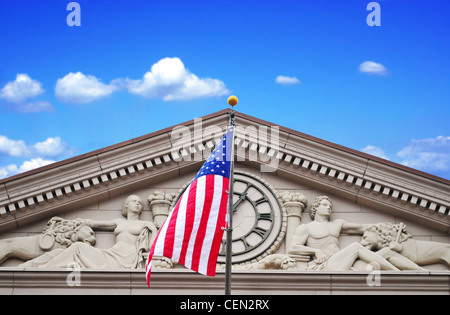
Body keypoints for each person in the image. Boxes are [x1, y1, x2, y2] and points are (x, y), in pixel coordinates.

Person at [21, 195, 158, 269]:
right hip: (112, 255)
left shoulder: (146, 224)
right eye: (134, 201)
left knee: (78, 247)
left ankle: (44, 268)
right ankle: (39, 266)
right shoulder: (118, 222)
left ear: (141, 210)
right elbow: (92, 223)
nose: (137, 204)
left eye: (140, 203)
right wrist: (65, 221)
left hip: (126, 260)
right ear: (126, 205)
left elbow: (154, 243)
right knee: (77, 247)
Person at [288, 196, 399, 271]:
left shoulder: (337, 224)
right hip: (325, 266)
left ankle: (407, 274)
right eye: (325, 205)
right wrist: (316, 251)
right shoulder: (306, 228)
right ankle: (396, 272)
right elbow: (293, 248)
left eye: (330, 207)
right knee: (356, 247)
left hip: (342, 262)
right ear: (315, 208)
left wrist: (391, 227)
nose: (329, 208)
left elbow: (362, 228)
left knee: (387, 252)